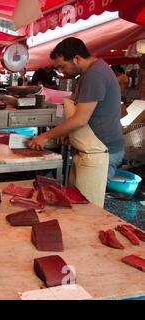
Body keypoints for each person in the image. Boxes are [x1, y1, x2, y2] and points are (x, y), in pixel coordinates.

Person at [29, 37, 124, 207]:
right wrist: (68, 133)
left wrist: (45, 136)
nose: (61, 71)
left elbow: (80, 119)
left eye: (62, 66)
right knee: (78, 204)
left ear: (76, 59)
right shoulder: (90, 73)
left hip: (101, 151)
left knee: (88, 209)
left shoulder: (95, 75)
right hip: (92, 148)